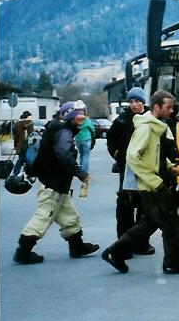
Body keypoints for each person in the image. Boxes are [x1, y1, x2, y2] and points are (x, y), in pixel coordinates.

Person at [102, 90, 179, 275]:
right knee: (171, 224)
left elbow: (154, 155)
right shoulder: (147, 127)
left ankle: (116, 252)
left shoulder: (155, 125)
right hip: (152, 185)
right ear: (156, 107)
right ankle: (173, 262)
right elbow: (132, 156)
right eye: (168, 107)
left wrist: (169, 167)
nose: (171, 111)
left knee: (150, 223)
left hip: (152, 183)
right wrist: (154, 180)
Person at [13, 101, 99, 264]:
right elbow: (63, 154)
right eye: (78, 113)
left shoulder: (60, 129)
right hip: (53, 184)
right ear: (70, 115)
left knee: (69, 217)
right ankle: (23, 252)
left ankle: (77, 246)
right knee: (43, 217)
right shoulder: (64, 132)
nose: (82, 116)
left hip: (57, 184)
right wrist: (80, 173)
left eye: (83, 113)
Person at [106, 87, 155, 256]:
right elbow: (111, 139)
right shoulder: (121, 120)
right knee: (125, 208)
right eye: (131, 101)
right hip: (127, 168)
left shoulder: (151, 118)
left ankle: (142, 244)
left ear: (143, 102)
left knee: (145, 208)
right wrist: (117, 154)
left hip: (147, 169)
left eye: (137, 101)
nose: (134, 105)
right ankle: (124, 245)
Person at [11, 111, 34, 176]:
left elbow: (15, 136)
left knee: (21, 159)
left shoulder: (17, 124)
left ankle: (15, 173)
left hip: (20, 145)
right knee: (27, 159)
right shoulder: (30, 123)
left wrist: (15, 146)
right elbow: (32, 134)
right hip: (28, 145)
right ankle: (29, 174)